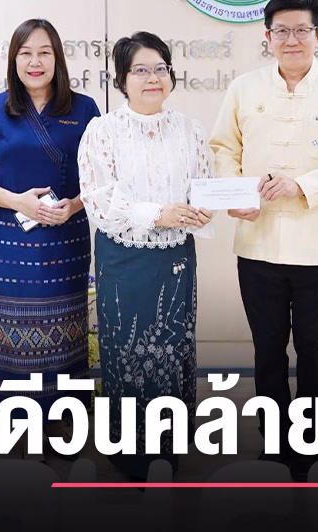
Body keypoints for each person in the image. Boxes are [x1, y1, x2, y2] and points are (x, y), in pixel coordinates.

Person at [209, 0, 318, 479]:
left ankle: (308, 447)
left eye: (302, 30)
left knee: (315, 352)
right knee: (266, 351)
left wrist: (302, 186)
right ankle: (273, 445)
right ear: (267, 36)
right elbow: (223, 147)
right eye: (281, 30)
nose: (291, 39)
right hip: (257, 244)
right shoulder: (244, 89)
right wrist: (235, 191)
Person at [77, 31, 213, 480]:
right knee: (128, 352)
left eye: (160, 69)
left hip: (175, 259)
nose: (152, 78)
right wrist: (158, 213)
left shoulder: (190, 129)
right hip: (124, 258)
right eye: (140, 70)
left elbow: (202, 187)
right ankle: (132, 455)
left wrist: (202, 209)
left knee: (173, 348)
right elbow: (99, 201)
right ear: (121, 79)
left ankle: (167, 452)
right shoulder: (102, 131)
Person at [0, 19, 101, 458]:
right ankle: (17, 420)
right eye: (26, 53)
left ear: (57, 58)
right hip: (10, 241)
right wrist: (17, 202)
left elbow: (101, 177)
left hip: (66, 239)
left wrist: (74, 206)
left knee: (65, 328)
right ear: (14, 60)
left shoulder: (84, 108)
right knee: (13, 330)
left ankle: (62, 418)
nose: (35, 61)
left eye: (44, 52)